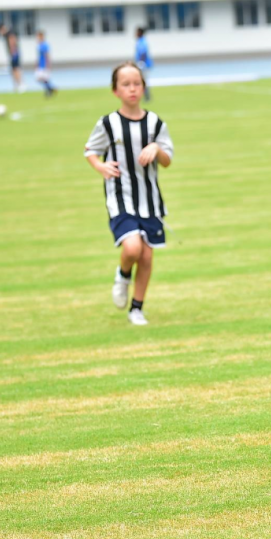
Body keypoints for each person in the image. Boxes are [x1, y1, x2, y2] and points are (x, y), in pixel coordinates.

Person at [83, 62, 173, 326]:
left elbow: (167, 160)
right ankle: (123, 276)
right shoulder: (108, 124)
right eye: (126, 84)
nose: (132, 89)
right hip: (120, 197)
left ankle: (137, 308)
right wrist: (100, 166)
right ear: (115, 91)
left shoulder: (155, 123)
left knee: (146, 256)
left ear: (143, 87)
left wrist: (156, 149)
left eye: (137, 83)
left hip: (150, 200)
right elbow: (90, 150)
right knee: (132, 248)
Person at [0, 23, 23, 93]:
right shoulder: (6, 35)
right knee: (13, 70)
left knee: (16, 69)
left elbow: (12, 43)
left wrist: (13, 53)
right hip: (13, 54)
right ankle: (16, 85)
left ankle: (20, 84)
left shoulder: (10, 34)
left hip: (14, 54)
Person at [35, 31, 57, 97]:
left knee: (43, 78)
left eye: (39, 36)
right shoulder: (39, 45)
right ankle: (51, 88)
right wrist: (37, 64)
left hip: (44, 65)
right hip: (40, 64)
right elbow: (39, 56)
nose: (38, 38)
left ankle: (49, 90)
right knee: (41, 79)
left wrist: (48, 64)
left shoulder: (45, 45)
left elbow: (47, 55)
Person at [135, 27, 152, 101]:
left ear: (140, 33)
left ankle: (147, 97)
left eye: (137, 32)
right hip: (142, 63)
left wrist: (141, 63)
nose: (135, 34)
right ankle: (145, 96)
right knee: (142, 80)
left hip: (143, 64)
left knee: (143, 80)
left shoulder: (142, 42)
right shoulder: (139, 41)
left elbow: (143, 53)